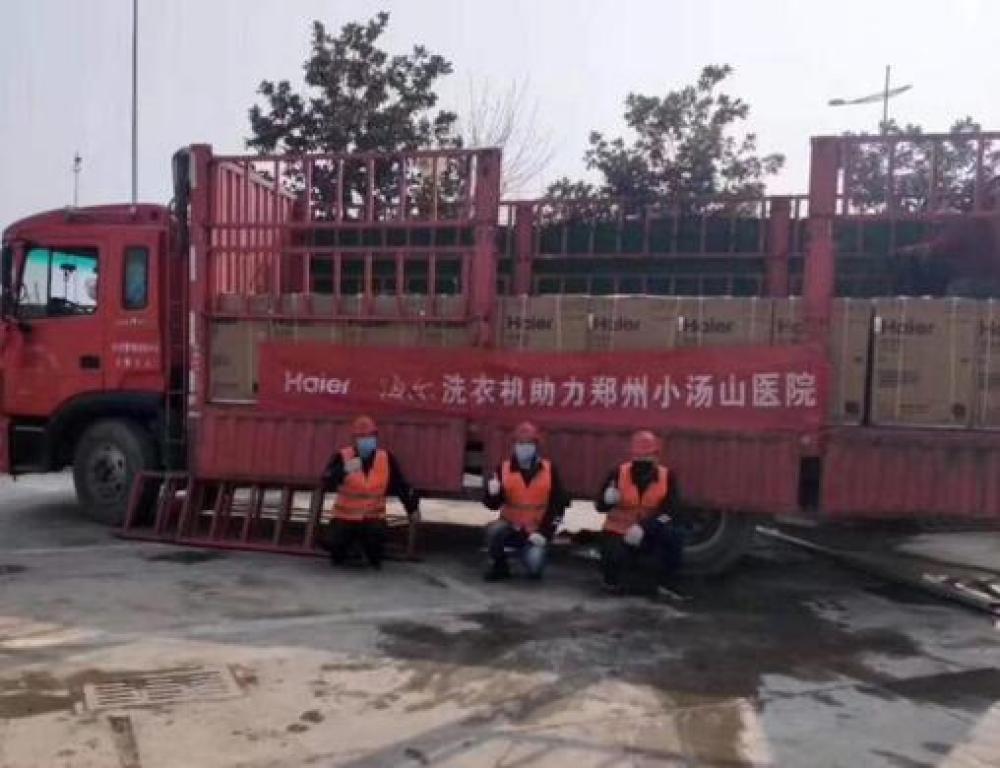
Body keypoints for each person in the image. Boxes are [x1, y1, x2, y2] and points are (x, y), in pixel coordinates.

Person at [320, 415, 420, 569]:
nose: (366, 440)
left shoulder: (385, 458)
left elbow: (401, 485)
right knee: (335, 548)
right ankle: (346, 549)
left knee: (375, 553)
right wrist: (347, 468)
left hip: (373, 519)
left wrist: (412, 508)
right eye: (362, 437)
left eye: (369, 436)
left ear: (375, 437)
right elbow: (327, 481)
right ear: (354, 439)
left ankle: (369, 552)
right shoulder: (343, 456)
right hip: (345, 518)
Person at [593, 430, 684, 596]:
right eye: (639, 456)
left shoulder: (667, 476)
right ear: (632, 456)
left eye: (647, 456)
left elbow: (672, 510)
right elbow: (599, 507)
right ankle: (613, 581)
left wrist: (645, 527)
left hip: (649, 531)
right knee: (614, 559)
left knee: (673, 536)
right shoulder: (617, 473)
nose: (643, 461)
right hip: (618, 530)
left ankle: (665, 582)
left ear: (656, 456)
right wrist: (607, 500)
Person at [482, 421, 569, 581]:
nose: (523, 448)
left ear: (536, 446)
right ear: (514, 445)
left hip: (535, 530)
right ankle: (499, 566)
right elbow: (492, 505)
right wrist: (493, 493)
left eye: (528, 444)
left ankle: (527, 555)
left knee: (535, 566)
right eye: (520, 444)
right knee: (493, 530)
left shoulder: (549, 469)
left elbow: (558, 505)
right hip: (511, 526)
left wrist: (544, 533)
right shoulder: (503, 468)